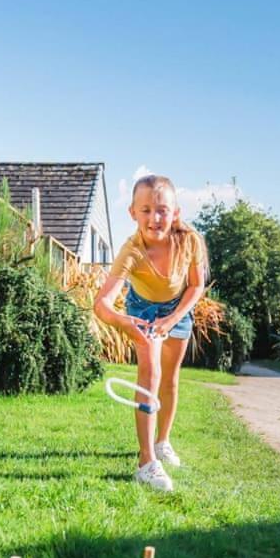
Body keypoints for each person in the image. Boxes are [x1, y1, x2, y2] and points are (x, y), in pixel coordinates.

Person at [94, 174, 208, 491]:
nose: (154, 218)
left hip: (178, 308)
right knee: (151, 376)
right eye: (145, 210)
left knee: (170, 380)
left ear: (175, 213)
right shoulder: (131, 251)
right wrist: (126, 322)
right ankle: (146, 463)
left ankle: (162, 442)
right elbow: (101, 304)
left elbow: (196, 286)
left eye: (161, 210)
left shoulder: (190, 241)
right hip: (142, 311)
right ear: (132, 212)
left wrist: (172, 319)